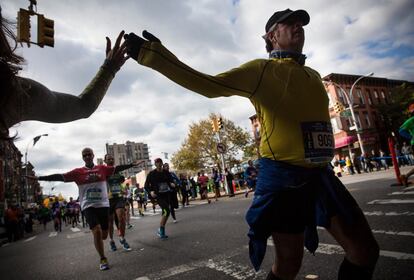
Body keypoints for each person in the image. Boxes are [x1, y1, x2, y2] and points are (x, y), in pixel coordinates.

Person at [124, 8, 379, 279]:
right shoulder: (262, 70)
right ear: (272, 35)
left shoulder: (314, 75)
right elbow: (209, 84)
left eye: (300, 24)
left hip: (322, 177)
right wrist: (156, 57)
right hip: (285, 180)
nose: (298, 27)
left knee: (364, 251)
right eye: (289, 24)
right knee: (290, 264)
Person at [0, 5, 128, 139]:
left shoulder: (17, 92)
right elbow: (84, 106)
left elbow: (83, 106)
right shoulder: (17, 93)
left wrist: (110, 68)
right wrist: (109, 68)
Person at [29, 147, 138, 271]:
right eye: (84, 155)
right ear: (82, 158)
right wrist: (39, 178)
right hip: (87, 205)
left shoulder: (102, 168)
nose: (87, 157)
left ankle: (106, 241)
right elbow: (60, 176)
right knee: (96, 231)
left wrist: (131, 165)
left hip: (103, 205)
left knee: (104, 235)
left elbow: (117, 168)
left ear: (93, 155)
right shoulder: (78, 172)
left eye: (89, 154)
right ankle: (103, 258)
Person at [104, 154, 132, 252]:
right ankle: (111, 240)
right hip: (108, 200)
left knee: (122, 217)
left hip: (118, 197)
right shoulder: (104, 172)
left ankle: (122, 238)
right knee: (110, 222)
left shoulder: (117, 171)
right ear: (105, 161)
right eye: (109, 159)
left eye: (112, 159)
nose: (111, 160)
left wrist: (122, 187)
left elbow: (121, 181)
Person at [144, 158, 175, 239]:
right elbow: (146, 185)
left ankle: (160, 229)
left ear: (162, 163)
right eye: (156, 163)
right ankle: (161, 231)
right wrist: (150, 192)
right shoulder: (151, 174)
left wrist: (172, 183)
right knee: (166, 211)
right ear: (155, 164)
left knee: (165, 212)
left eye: (159, 162)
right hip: (159, 196)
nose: (158, 164)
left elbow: (170, 180)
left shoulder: (166, 172)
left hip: (166, 194)